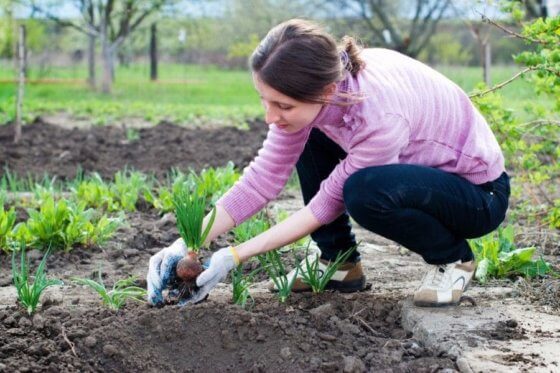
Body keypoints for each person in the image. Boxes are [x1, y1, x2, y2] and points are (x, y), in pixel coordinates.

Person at [147, 19, 510, 308]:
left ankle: (452, 258)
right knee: (311, 131)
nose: (270, 116)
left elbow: (325, 205)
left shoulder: (379, 116)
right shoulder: (322, 90)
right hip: (419, 176)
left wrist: (234, 255)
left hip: (476, 195)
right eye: (264, 100)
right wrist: (187, 243)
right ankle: (340, 263)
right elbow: (262, 180)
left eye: (283, 105)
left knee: (364, 192)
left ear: (325, 92)